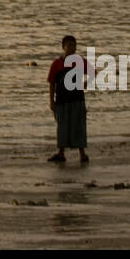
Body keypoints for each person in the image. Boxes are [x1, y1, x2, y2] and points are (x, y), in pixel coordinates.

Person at [46, 35, 89, 163]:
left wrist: (86, 84)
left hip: (77, 100)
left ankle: (82, 154)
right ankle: (61, 153)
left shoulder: (80, 61)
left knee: (79, 127)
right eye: (69, 45)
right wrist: (51, 102)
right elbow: (52, 83)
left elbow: (93, 73)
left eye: (74, 45)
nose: (72, 48)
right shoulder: (57, 64)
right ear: (63, 47)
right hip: (61, 101)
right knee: (62, 127)